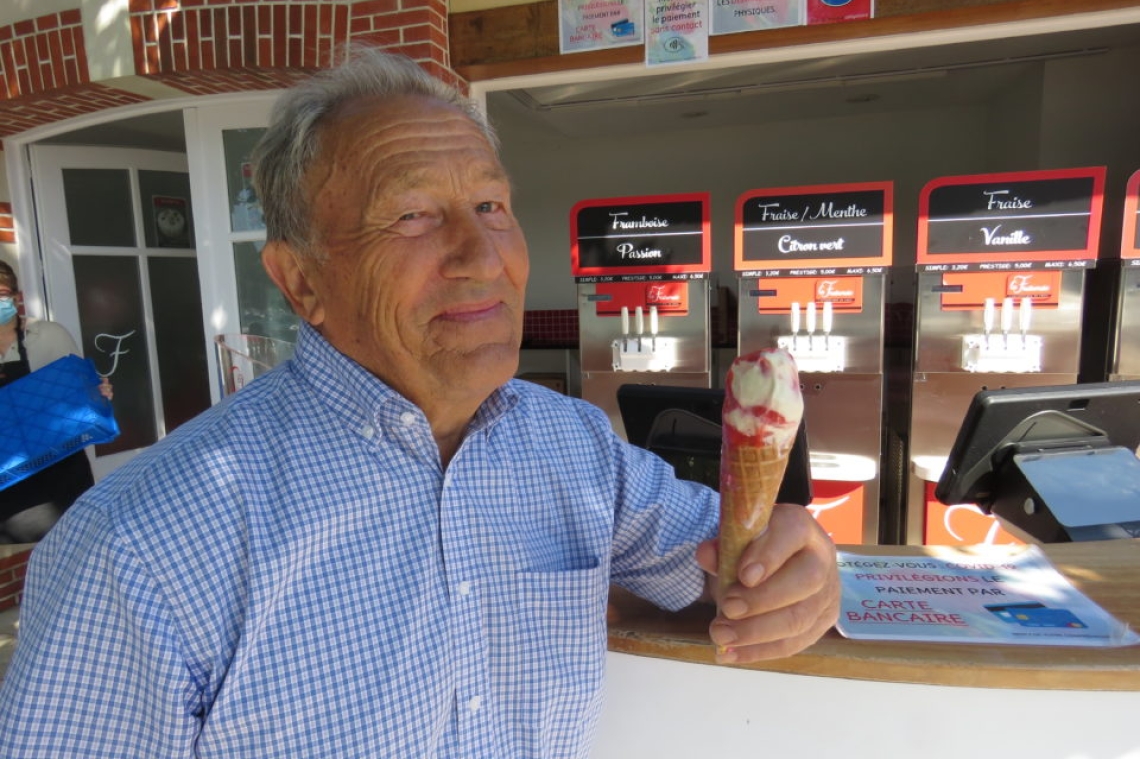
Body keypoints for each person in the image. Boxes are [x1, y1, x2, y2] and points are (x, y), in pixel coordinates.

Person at [0, 49, 839, 756]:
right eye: (411, 214)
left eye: (490, 205)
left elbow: (727, 568)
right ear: (301, 281)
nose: (481, 255)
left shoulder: (573, 446)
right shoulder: (142, 545)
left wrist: (796, 567)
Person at [0, 260, 112, 544]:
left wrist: (99, 393)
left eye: (1, 294)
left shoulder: (47, 336)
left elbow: (83, 396)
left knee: (75, 553)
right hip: (7, 483)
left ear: (15, 297)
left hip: (60, 474)